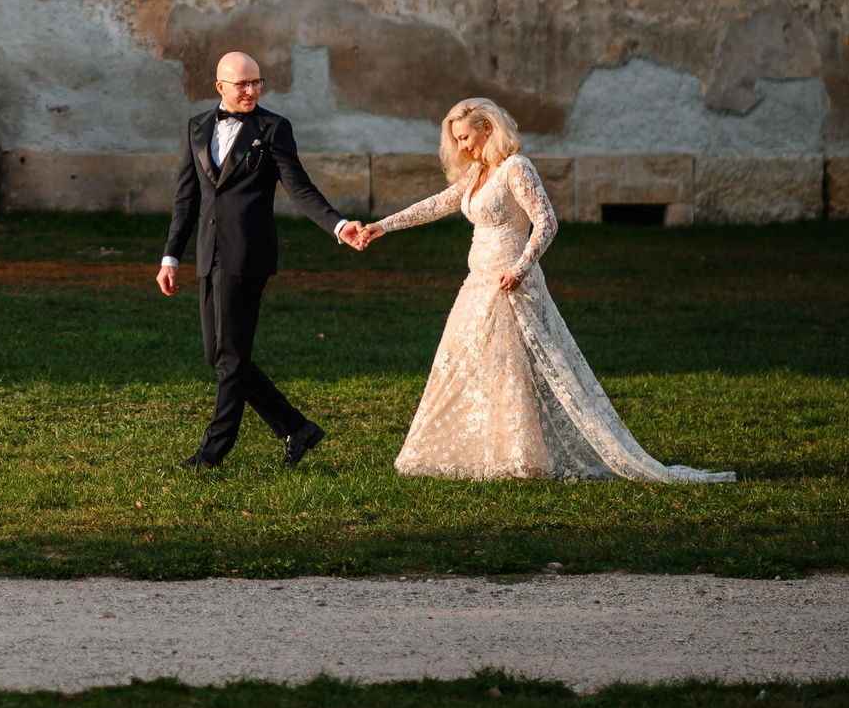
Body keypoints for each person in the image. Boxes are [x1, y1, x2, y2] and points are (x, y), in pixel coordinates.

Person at [352, 97, 736, 483]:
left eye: (466, 137)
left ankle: (525, 456)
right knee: (471, 365)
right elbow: (439, 203)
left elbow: (546, 221)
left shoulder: (516, 167)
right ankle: (497, 452)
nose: (463, 147)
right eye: (457, 141)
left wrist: (520, 268)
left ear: (488, 128)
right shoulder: (478, 172)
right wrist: (383, 226)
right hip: (477, 284)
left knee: (516, 366)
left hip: (512, 284)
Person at [159, 51, 366, 470]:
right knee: (217, 356)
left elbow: (299, 187)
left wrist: (338, 225)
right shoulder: (196, 127)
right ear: (221, 87)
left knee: (231, 358)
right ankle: (297, 427)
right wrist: (170, 257)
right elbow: (187, 199)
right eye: (242, 84)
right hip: (208, 254)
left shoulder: (272, 129)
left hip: (248, 255)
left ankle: (212, 453)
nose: (252, 90)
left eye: (257, 83)